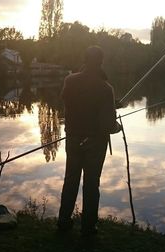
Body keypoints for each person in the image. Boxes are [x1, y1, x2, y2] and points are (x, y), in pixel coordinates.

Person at [57, 45, 121, 236]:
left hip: (73, 139)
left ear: (84, 60)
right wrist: (117, 126)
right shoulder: (105, 88)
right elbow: (107, 125)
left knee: (70, 181)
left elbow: (69, 103)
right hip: (95, 144)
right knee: (91, 184)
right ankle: (88, 226)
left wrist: (109, 106)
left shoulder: (70, 81)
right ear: (101, 61)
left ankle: (63, 221)